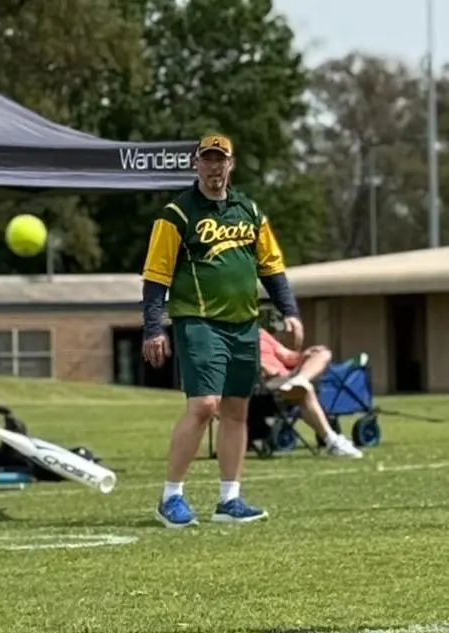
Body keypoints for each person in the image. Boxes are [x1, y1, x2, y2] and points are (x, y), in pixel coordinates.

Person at [141, 133, 303, 529]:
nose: (214, 166)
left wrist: (290, 311)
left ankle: (229, 500)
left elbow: (271, 266)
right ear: (195, 163)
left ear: (231, 164)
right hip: (199, 321)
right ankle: (170, 497)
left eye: (221, 159)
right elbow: (156, 276)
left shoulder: (248, 210)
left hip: (244, 323)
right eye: (208, 159)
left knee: (236, 409)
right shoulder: (177, 214)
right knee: (203, 405)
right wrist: (152, 328)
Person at [259, 328, 363, 458]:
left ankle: (300, 379)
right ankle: (333, 442)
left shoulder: (260, 333)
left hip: (288, 376)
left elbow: (286, 356)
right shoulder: (237, 341)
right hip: (267, 382)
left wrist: (304, 355)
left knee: (323, 352)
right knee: (305, 389)